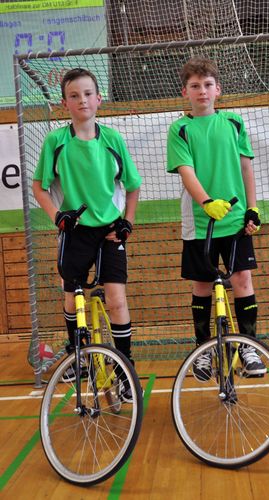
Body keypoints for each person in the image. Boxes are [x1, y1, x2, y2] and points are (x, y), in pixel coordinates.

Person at [33, 68, 142, 401]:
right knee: (72, 294)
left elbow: (133, 186)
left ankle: (124, 366)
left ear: (98, 99)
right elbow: (38, 186)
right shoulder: (56, 142)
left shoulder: (112, 140)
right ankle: (76, 353)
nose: (82, 100)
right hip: (75, 231)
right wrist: (57, 216)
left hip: (109, 232)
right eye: (74, 95)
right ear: (65, 102)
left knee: (116, 299)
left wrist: (127, 222)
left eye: (87, 94)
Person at [167, 57, 266, 381]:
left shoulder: (234, 123)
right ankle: (203, 349)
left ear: (218, 89)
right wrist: (206, 202)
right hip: (199, 221)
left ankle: (248, 346)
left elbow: (246, 167)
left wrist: (252, 208)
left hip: (235, 219)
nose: (202, 91)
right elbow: (186, 171)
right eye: (195, 86)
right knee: (202, 285)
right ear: (185, 91)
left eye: (208, 85)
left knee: (242, 281)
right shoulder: (180, 128)